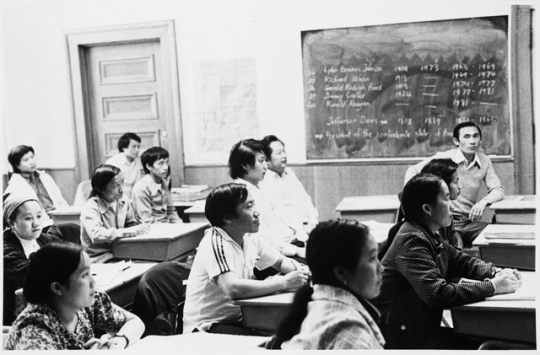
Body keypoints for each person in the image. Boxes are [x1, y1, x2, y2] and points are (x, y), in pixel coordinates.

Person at [373, 173, 521, 349]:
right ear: (428, 209)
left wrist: (495, 271)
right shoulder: (412, 238)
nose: (453, 206)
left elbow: (462, 261)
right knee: (490, 346)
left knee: (486, 343)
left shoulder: (427, 233)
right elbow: (438, 294)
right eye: (447, 199)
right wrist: (492, 286)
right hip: (402, 338)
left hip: (419, 328)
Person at [183, 183, 309, 335]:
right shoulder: (216, 242)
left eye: (254, 204)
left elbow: (280, 262)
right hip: (207, 326)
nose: (257, 213)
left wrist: (300, 271)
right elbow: (233, 288)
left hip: (242, 317)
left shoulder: (250, 235)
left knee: (291, 329)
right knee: (275, 341)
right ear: (228, 218)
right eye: (249, 206)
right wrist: (284, 282)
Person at [5, 242, 144, 350]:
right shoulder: (34, 331)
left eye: (91, 273)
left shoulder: (87, 303)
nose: (93, 281)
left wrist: (119, 341)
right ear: (57, 287)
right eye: (84, 275)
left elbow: (134, 322)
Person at [275, 219, 385, 350]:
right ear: (341, 272)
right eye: (372, 258)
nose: (381, 268)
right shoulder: (349, 330)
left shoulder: (316, 303)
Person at [404, 122, 504, 247]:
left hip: (469, 222)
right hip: (446, 222)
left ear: (480, 139)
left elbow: (498, 190)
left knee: (498, 238)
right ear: (456, 141)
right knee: (454, 253)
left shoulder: (485, 160)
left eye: (475, 136)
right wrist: (413, 199)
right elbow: (412, 170)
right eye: (466, 137)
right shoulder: (445, 158)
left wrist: (483, 202)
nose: (472, 141)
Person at [228, 139, 308, 260]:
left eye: (266, 160)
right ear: (244, 165)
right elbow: (262, 238)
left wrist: (305, 237)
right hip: (277, 255)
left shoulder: (264, 184)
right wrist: (297, 251)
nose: (266, 165)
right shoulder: (241, 195)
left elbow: (286, 214)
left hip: (295, 243)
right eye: (261, 161)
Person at [3, 191, 63, 325]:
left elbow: (72, 262)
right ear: (12, 223)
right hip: (16, 314)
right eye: (28, 218)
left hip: (50, 303)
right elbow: (32, 278)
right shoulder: (5, 249)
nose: (36, 223)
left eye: (39, 216)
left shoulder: (49, 239)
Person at [80, 164, 150, 263]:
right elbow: (96, 235)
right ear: (101, 188)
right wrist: (133, 230)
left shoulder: (123, 201)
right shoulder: (91, 207)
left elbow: (131, 224)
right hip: (100, 258)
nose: (122, 189)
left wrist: (138, 226)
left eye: (122, 183)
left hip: (123, 253)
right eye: (116, 186)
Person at [5, 145, 69, 235]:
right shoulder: (15, 187)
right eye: (26, 160)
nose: (32, 162)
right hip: (40, 226)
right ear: (17, 165)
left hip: (59, 219)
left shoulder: (45, 177)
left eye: (32, 157)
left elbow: (61, 202)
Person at [260, 135, 318, 233]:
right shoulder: (265, 181)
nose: (284, 156)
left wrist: (313, 221)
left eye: (284, 151)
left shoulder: (289, 172)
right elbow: (280, 213)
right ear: (267, 160)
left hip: (309, 226)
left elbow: (305, 199)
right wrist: (302, 230)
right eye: (279, 153)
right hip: (294, 233)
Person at [131, 146, 182, 224]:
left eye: (167, 162)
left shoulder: (163, 182)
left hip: (167, 226)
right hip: (153, 229)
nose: (165, 167)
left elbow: (171, 210)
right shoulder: (141, 187)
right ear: (149, 166)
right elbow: (146, 219)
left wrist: (180, 225)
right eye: (160, 163)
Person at [106, 132, 144, 200]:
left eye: (138, 147)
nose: (137, 150)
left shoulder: (137, 163)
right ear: (124, 148)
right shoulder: (113, 162)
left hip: (131, 199)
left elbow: (137, 185)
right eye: (134, 147)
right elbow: (108, 187)